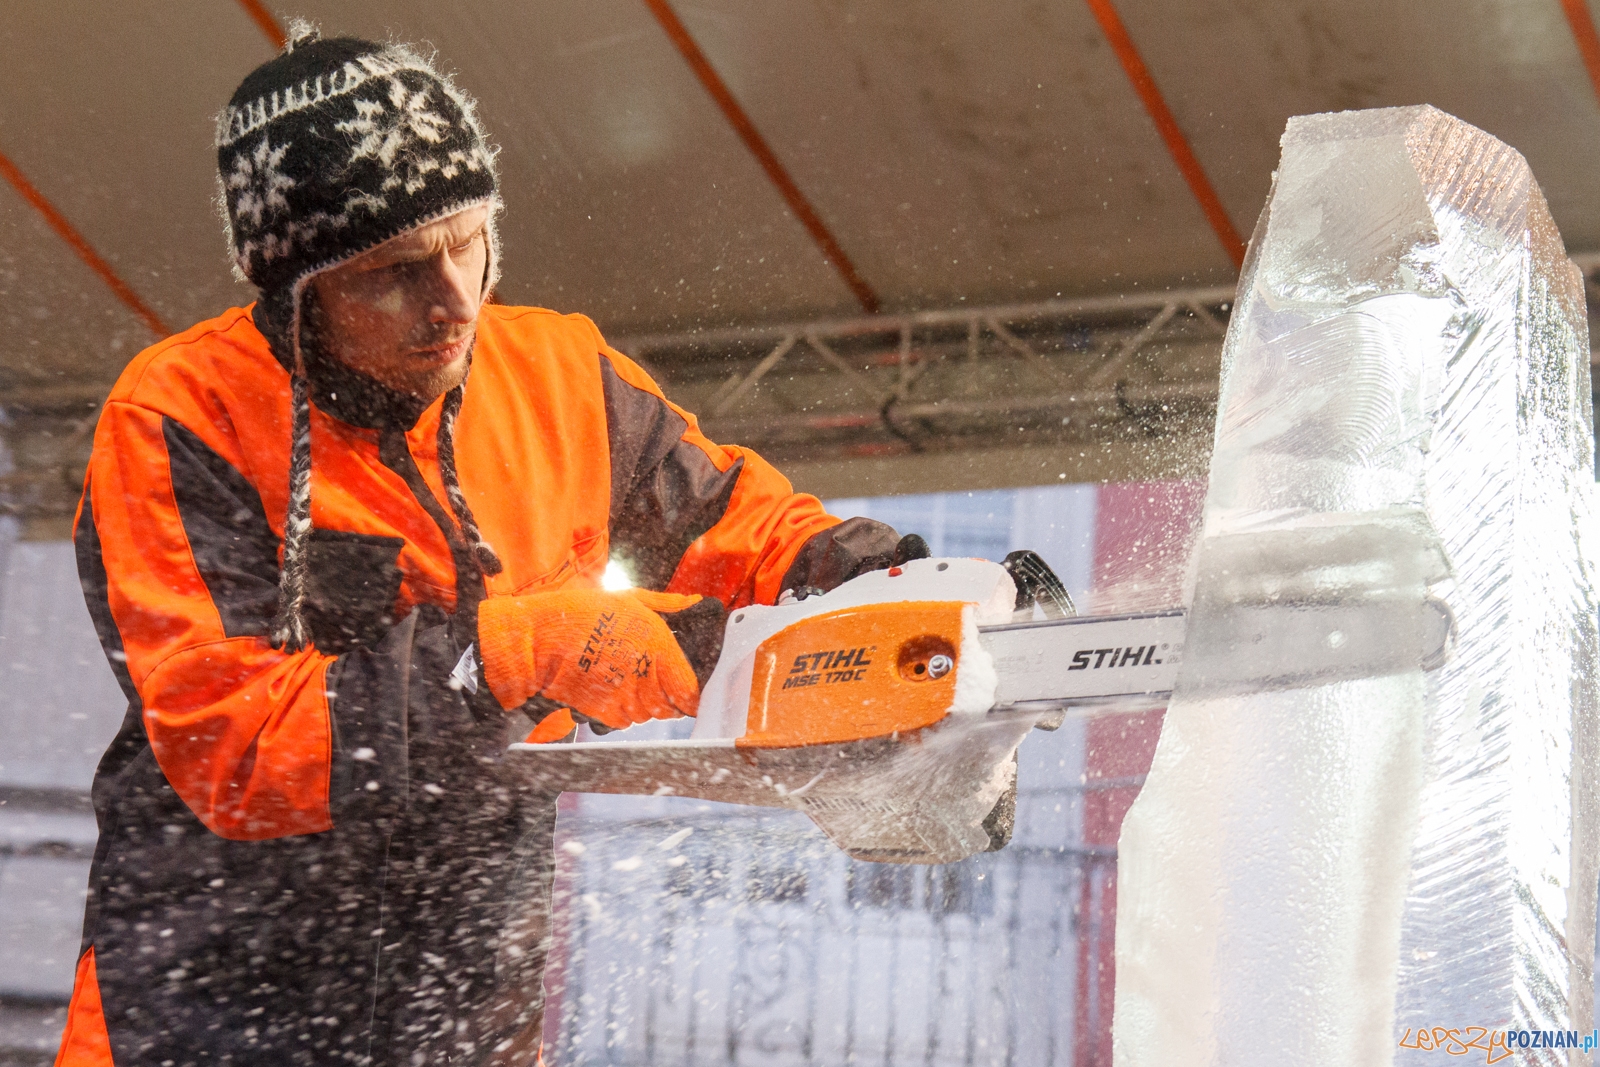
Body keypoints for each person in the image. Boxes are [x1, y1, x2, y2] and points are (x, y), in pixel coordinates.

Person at [55, 27, 923, 1066]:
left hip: (467, 1008)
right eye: (393, 271)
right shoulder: (181, 416)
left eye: (468, 240)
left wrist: (870, 575)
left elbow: (735, 533)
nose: (453, 302)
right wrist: (506, 655)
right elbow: (235, 749)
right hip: (204, 1013)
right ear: (299, 292)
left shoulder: (561, 372)